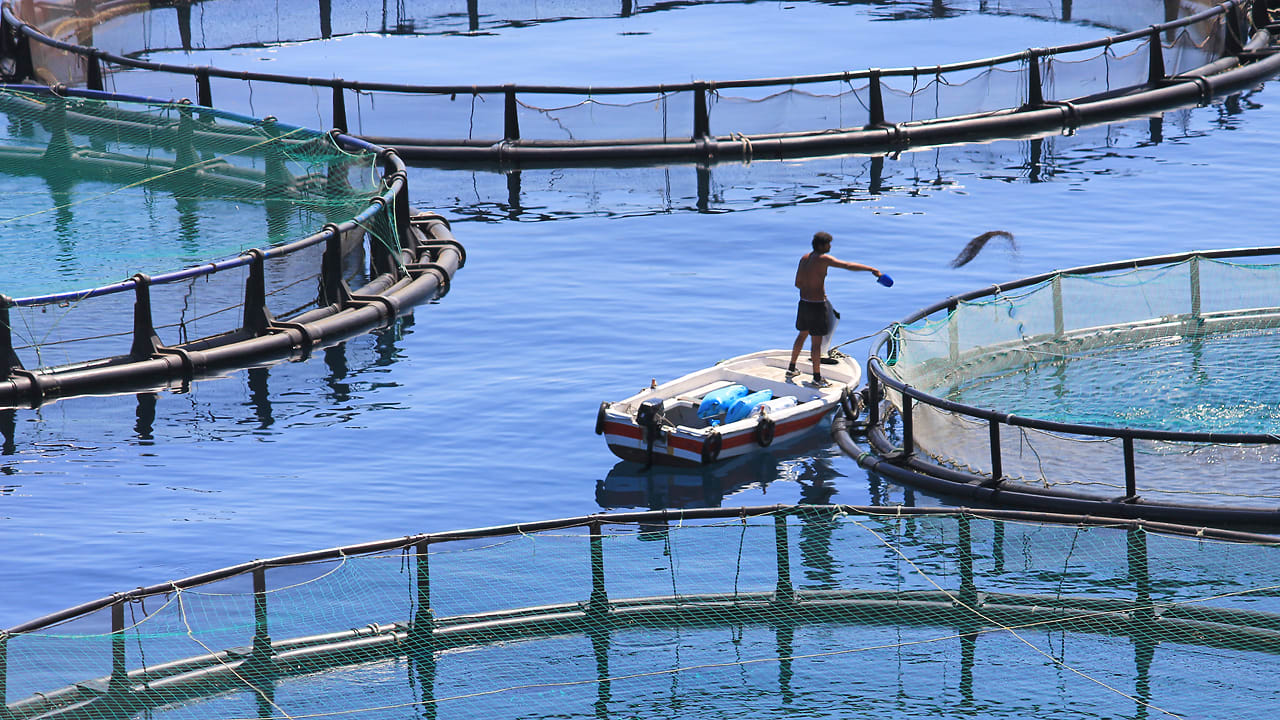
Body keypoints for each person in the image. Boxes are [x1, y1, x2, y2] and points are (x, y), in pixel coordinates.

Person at [787, 231, 882, 387]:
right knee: (816, 342)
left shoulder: (804, 258)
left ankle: (791, 368)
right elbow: (847, 265)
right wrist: (871, 269)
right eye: (828, 244)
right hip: (817, 305)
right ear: (821, 245)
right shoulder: (823, 259)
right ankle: (817, 378)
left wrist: (811, 286)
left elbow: (797, 283)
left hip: (803, 303)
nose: (830, 246)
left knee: (802, 335)